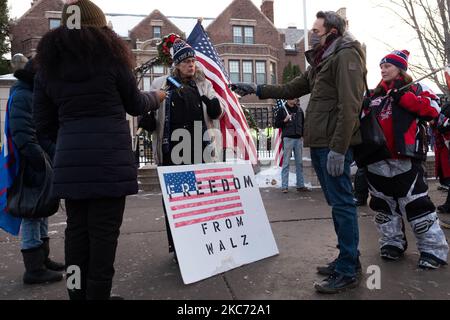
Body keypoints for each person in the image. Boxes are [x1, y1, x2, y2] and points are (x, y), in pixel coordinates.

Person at [33, 0, 164, 300]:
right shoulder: (113, 61)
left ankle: (77, 296)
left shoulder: (47, 69)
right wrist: (156, 97)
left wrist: (63, 152)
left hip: (71, 164)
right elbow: (135, 104)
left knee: (76, 233)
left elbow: (42, 125)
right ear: (101, 28)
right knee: (104, 236)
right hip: (110, 162)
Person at [230, 11, 366, 293]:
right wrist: (257, 87)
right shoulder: (323, 58)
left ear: (333, 30)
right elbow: (292, 87)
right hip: (319, 142)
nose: (312, 34)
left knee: (342, 204)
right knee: (337, 203)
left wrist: (339, 149)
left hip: (333, 145)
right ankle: (347, 258)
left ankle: (348, 268)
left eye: (317, 30)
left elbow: (350, 105)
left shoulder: (347, 55)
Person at [138, 38, 223, 262]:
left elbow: (216, 112)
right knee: (176, 202)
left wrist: (208, 98)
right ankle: (178, 248)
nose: (191, 64)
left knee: (200, 200)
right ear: (176, 64)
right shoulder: (161, 84)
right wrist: (147, 112)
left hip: (200, 151)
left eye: (193, 60)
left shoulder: (204, 84)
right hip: (172, 152)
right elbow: (147, 117)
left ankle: (202, 242)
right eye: (185, 61)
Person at [362, 49, 448, 268]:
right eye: (381, 66)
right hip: (377, 160)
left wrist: (404, 97)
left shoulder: (417, 89)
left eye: (387, 65)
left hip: (405, 159)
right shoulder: (373, 95)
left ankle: (433, 251)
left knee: (417, 205)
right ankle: (392, 244)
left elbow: (433, 110)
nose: (383, 69)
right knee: (383, 206)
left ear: (399, 68)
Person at [9, 59, 64, 285]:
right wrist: (42, 161)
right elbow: (23, 135)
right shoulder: (23, 96)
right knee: (33, 213)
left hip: (39, 161)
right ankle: (33, 268)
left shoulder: (30, 93)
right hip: (32, 164)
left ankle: (42, 260)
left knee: (41, 211)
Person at [273, 98, 309, 193]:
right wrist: (284, 120)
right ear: (288, 99)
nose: (295, 99)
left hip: (298, 139)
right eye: (293, 98)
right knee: (286, 163)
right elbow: (276, 124)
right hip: (288, 138)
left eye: (295, 98)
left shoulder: (299, 110)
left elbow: (303, 124)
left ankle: (300, 185)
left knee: (299, 163)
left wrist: (302, 135)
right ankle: (284, 186)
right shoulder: (282, 109)